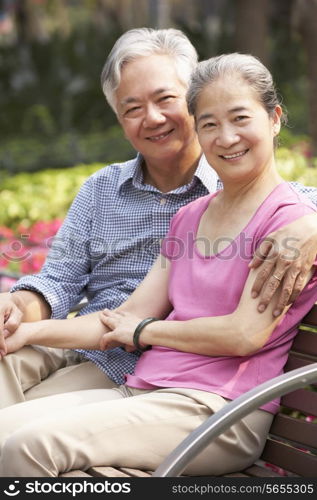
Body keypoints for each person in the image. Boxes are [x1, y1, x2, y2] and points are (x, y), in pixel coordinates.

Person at [0, 52, 317, 478]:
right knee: (5, 433)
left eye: (240, 118)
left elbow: (244, 335)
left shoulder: (289, 222)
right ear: (197, 131)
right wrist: (24, 331)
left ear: (274, 118)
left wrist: (146, 332)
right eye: (209, 124)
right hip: (147, 390)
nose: (226, 137)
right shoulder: (190, 217)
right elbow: (127, 316)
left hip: (218, 410)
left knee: (29, 448)